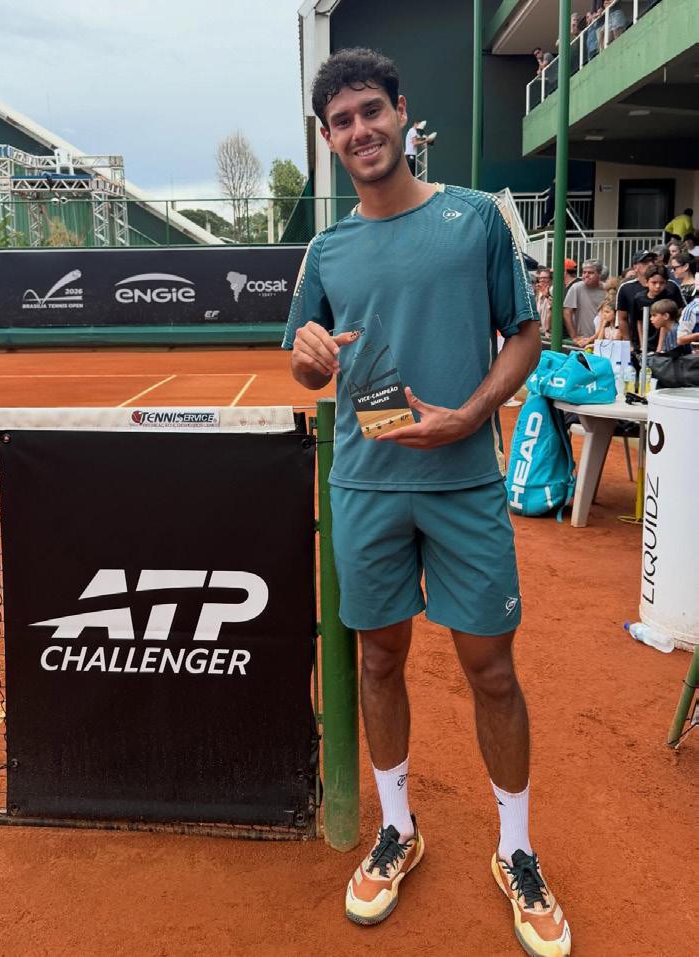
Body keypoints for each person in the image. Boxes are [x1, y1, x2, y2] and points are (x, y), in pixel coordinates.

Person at [284, 46, 571, 957]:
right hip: (364, 487)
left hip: (463, 484)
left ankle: (516, 848)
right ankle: (397, 829)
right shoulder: (326, 249)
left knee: (491, 670)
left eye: (370, 110)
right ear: (328, 138)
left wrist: (471, 416)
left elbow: (524, 334)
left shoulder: (473, 218)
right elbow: (303, 361)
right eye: (341, 121)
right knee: (378, 661)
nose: (359, 130)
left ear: (400, 111)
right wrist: (308, 358)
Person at [615, 249, 683, 345]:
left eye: (653, 261)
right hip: (638, 343)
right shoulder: (626, 288)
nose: (651, 264)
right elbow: (622, 319)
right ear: (635, 267)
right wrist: (628, 344)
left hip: (669, 343)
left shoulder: (671, 285)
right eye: (645, 262)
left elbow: (681, 312)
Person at [630, 264, 685, 353]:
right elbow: (639, 321)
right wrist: (642, 344)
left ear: (666, 283)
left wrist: (660, 347)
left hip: (665, 341)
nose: (658, 286)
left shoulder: (669, 296)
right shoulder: (639, 298)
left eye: (661, 283)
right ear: (647, 282)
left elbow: (666, 323)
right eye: (654, 282)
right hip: (645, 338)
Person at [563, 259, 605, 346]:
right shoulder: (576, 288)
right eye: (584, 272)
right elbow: (567, 312)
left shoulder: (606, 289)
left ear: (600, 274)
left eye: (590, 273)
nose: (586, 275)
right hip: (583, 339)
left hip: (602, 338)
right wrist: (574, 337)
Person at [534, 268, 553, 334]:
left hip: (550, 331)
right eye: (540, 278)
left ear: (550, 279)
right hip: (541, 330)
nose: (542, 280)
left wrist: (547, 295)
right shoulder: (539, 291)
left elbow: (554, 307)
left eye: (545, 278)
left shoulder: (553, 289)